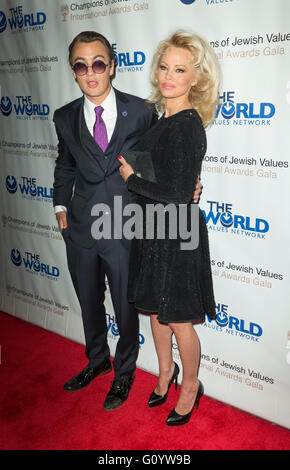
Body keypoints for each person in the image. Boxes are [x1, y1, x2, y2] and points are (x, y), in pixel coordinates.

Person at [53, 31, 202, 411]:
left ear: (112, 66)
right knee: (89, 302)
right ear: (73, 71)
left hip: (126, 226)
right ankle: (97, 361)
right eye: (81, 65)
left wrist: (189, 187)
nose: (91, 72)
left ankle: (124, 374)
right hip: (82, 226)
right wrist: (59, 208)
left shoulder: (140, 112)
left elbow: (160, 164)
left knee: (126, 306)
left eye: (98, 63)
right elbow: (64, 164)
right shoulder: (64, 117)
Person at [119, 31, 220, 425]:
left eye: (180, 70)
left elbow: (178, 195)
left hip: (177, 233)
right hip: (152, 228)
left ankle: (191, 385)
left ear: (195, 79)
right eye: (164, 67)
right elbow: (176, 181)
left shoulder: (187, 124)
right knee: (156, 313)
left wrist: (132, 179)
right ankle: (165, 374)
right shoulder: (165, 119)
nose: (168, 76)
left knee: (177, 317)